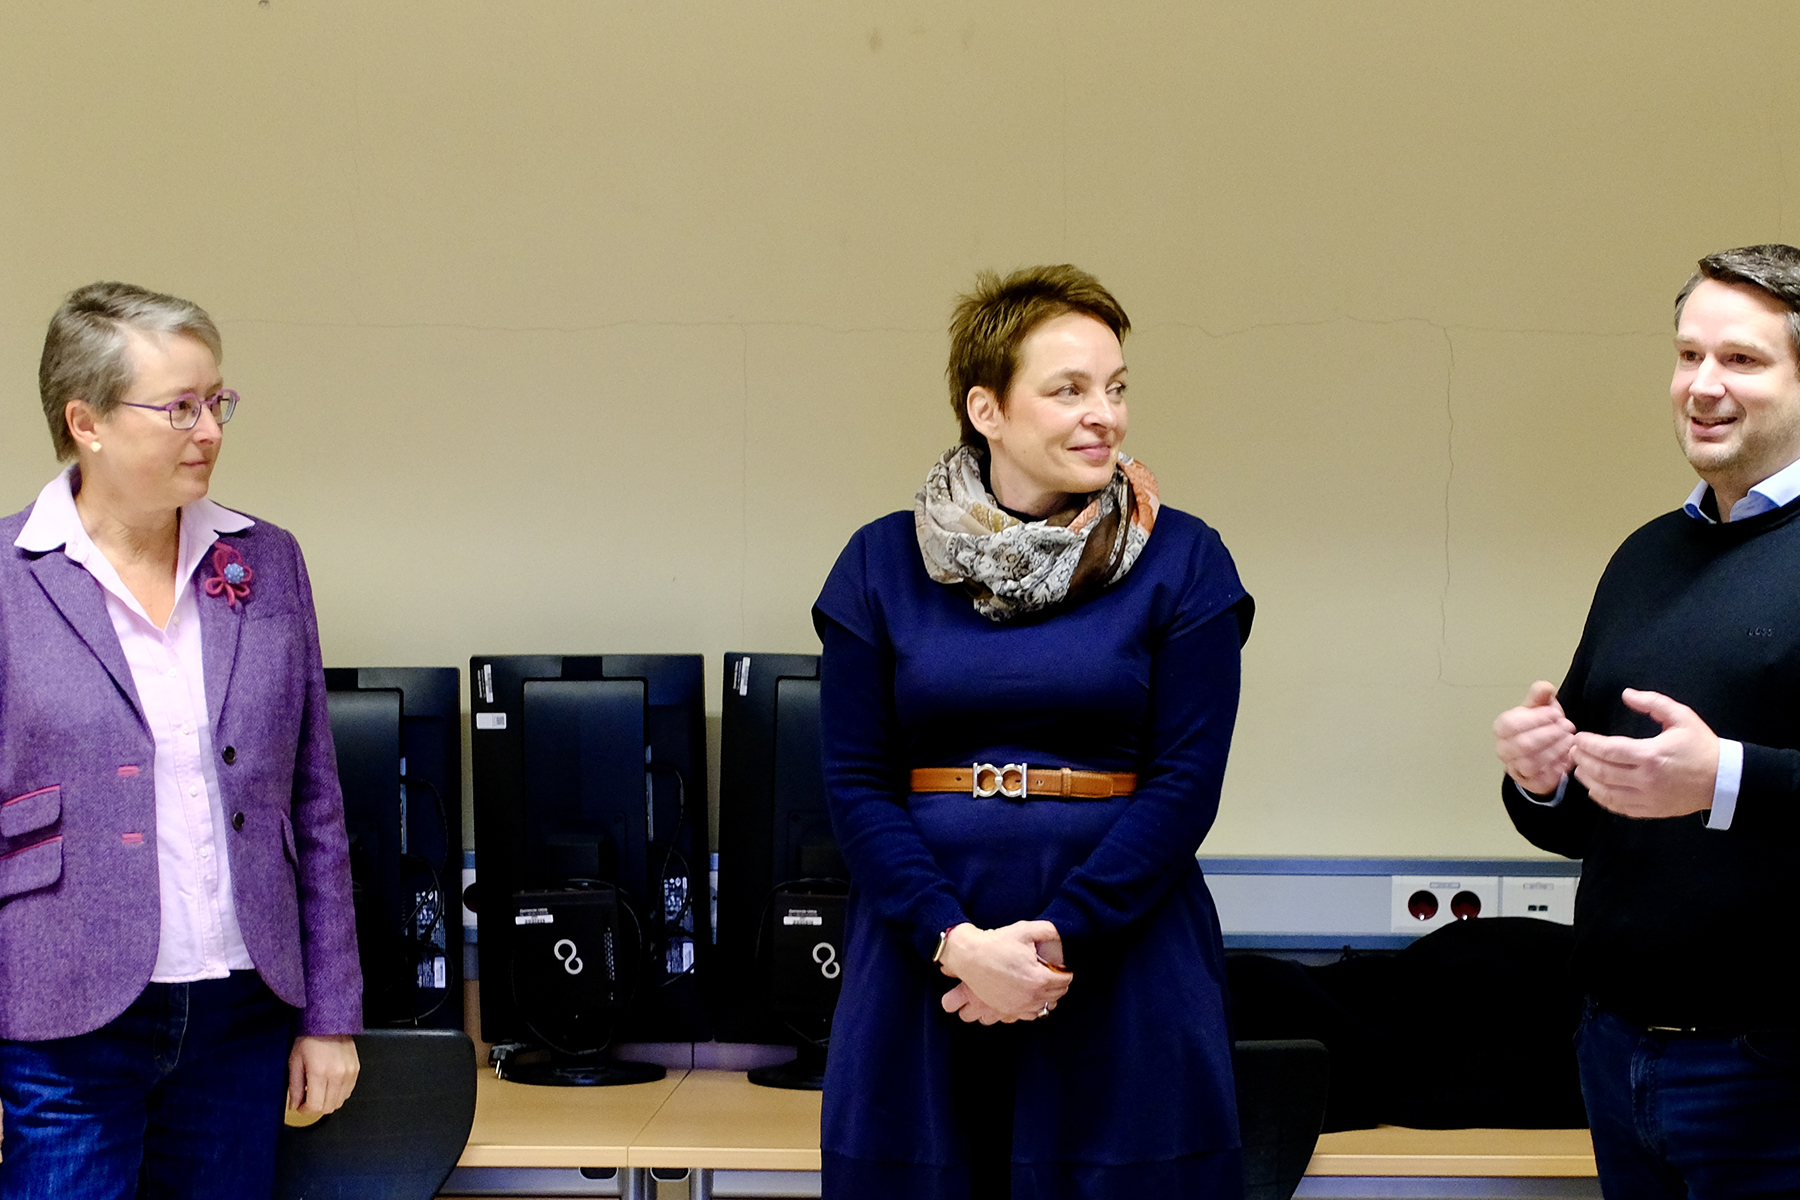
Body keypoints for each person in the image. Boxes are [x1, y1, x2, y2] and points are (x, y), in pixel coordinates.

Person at [812, 264, 1254, 1198]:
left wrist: (1058, 938)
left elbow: (1186, 786)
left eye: (1117, 388)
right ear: (988, 409)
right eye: (1070, 390)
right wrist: (954, 941)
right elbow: (855, 785)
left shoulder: (1185, 559)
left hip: (1125, 957)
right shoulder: (879, 563)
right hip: (925, 962)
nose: (1106, 416)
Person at [0, 282, 362, 1198]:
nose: (208, 431)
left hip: (240, 1011)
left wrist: (331, 1015)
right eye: (179, 408)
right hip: (61, 1020)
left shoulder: (265, 558)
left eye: (216, 402)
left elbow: (314, 800)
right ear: (85, 422)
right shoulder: (8, 577)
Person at [1494, 245, 1800, 1198]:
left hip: (1773, 1070)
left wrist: (1726, 779)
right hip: (1616, 1049)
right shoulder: (1646, 556)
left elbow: (1707, 783)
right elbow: (1583, 819)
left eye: (1741, 360)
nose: (1703, 386)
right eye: (1688, 355)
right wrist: (1541, 776)